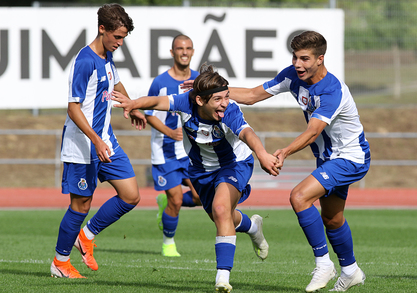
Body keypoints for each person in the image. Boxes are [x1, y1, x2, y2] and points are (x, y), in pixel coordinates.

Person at [112, 63, 279, 292]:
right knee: (224, 217)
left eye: (227, 97)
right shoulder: (185, 102)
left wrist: (262, 154)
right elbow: (155, 102)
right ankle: (252, 227)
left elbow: (247, 133)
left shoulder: (229, 111)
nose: (225, 103)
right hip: (201, 172)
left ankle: (222, 278)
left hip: (234, 165)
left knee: (221, 210)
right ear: (200, 100)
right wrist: (133, 104)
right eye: (218, 99)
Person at [226, 31, 370, 292]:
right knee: (332, 219)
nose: (297, 64)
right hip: (328, 160)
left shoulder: (332, 90)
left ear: (320, 59)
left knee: (299, 197)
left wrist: (284, 151)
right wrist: (218, 91)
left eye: (304, 58)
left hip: (350, 158)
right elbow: (251, 95)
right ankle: (351, 271)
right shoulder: (293, 76)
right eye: (295, 57)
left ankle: (323, 264)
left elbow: (313, 132)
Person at [50, 4, 146, 279]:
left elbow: (115, 85)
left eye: (124, 38)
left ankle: (87, 236)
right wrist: (95, 140)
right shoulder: (85, 61)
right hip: (83, 145)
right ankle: (60, 262)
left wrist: (132, 107)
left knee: (131, 195)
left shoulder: (107, 56)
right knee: (80, 205)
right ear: (102, 29)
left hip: (106, 141)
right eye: (117, 37)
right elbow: (73, 108)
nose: (120, 42)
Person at [144, 34, 201, 257]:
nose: (184, 52)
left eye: (188, 48)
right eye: (180, 48)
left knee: (200, 197)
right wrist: (168, 131)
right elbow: (147, 113)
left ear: (193, 52)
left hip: (190, 151)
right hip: (164, 152)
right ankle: (168, 242)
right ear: (172, 52)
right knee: (176, 199)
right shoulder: (160, 82)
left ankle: (163, 201)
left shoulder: (199, 79)